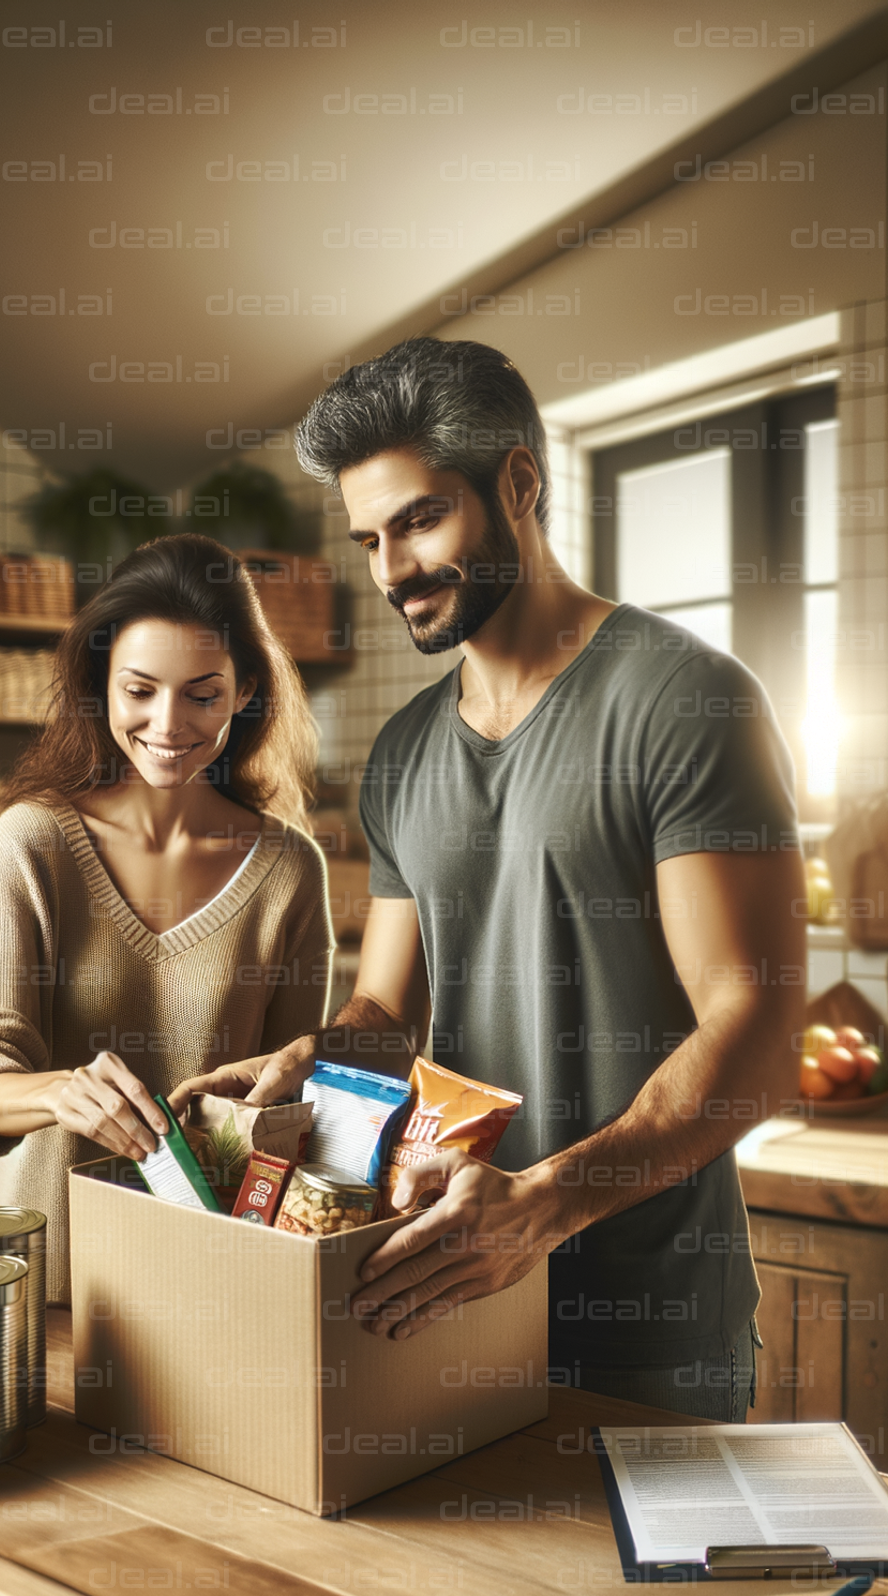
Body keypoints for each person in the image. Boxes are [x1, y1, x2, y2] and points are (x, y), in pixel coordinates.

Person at [172, 339, 806, 1421]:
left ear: (518, 484)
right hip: (446, 1305)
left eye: (420, 521)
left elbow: (756, 1030)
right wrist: (305, 1060)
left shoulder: (686, 700)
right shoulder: (407, 752)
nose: (391, 569)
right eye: (369, 537)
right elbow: (391, 1011)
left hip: (645, 1330)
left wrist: (542, 1208)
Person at [0, 535, 333, 1303]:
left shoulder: (289, 871)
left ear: (246, 690)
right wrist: (57, 1095)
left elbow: (288, 1109)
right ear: (101, 685)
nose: (168, 723)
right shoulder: (34, 839)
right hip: (44, 1283)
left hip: (214, 1283)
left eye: (202, 693)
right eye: (139, 689)